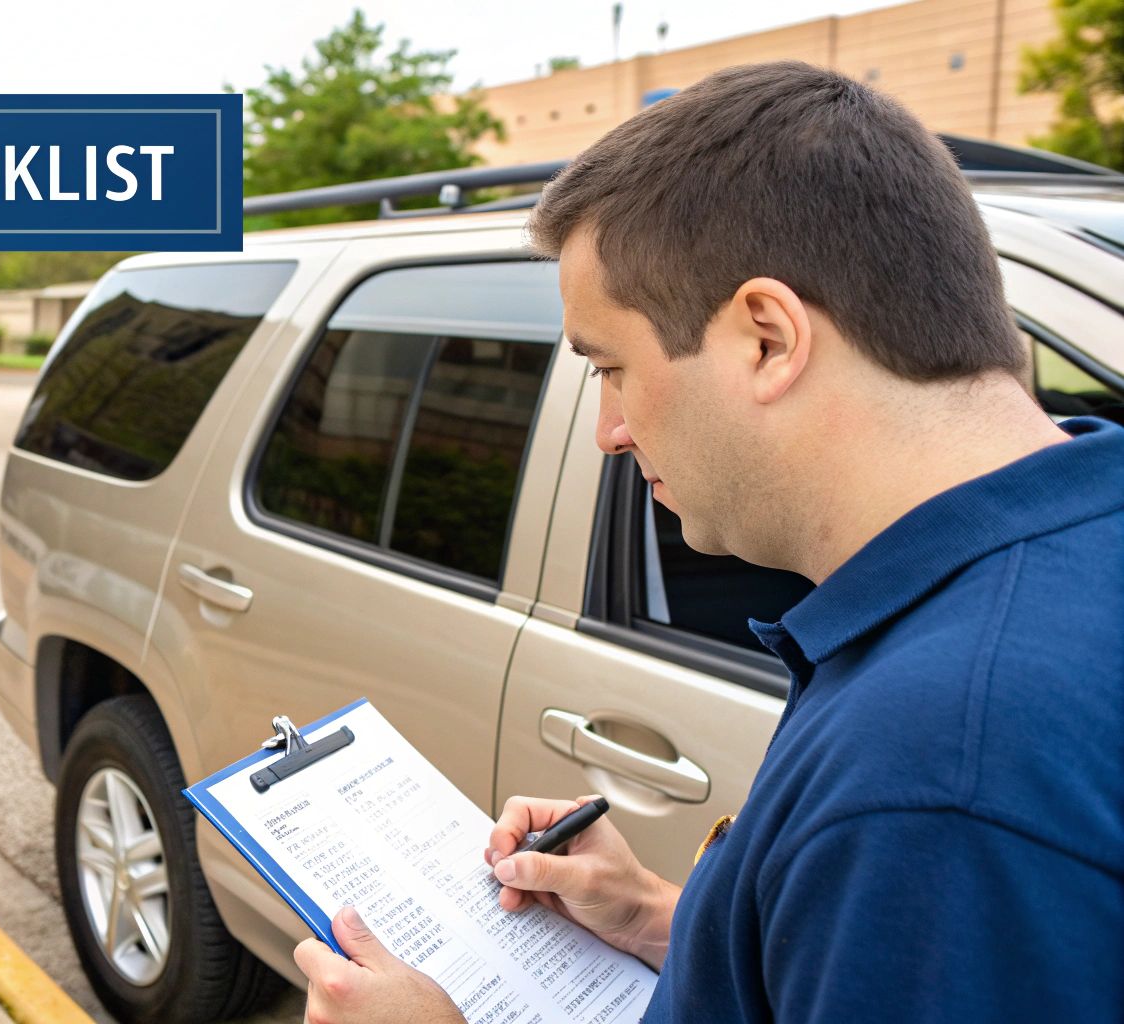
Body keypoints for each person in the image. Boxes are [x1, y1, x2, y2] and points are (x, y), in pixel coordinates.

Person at [293, 60, 1123, 1023]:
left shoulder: (938, 778)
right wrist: (659, 917)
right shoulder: (1050, 567)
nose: (608, 429)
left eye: (610, 367)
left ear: (766, 338)